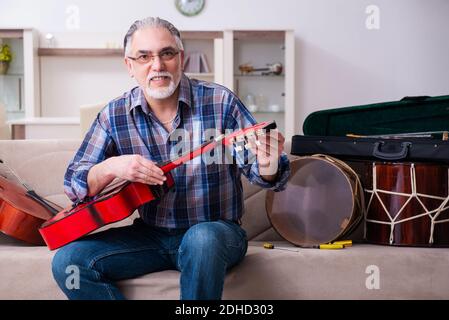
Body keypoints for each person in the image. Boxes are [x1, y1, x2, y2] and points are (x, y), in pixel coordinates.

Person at [51, 17, 290, 300]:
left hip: (217, 234)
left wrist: (268, 163)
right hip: (151, 237)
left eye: (167, 53)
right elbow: (74, 184)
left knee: (202, 239)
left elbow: (263, 174)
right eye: (144, 56)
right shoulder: (113, 116)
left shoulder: (220, 102)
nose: (157, 65)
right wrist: (112, 166)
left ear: (181, 58)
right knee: (69, 262)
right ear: (129, 65)